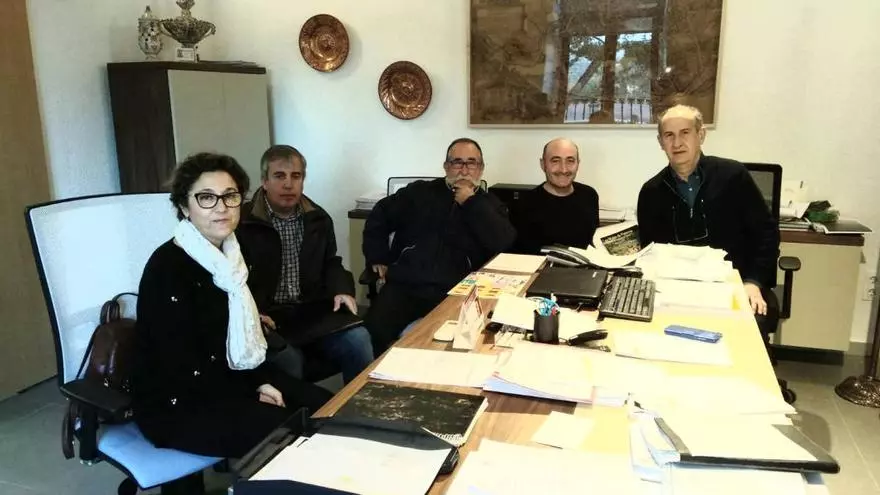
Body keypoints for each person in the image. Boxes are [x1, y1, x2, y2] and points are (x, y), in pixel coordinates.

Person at [132, 152, 332, 458]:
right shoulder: (168, 268)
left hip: (233, 373)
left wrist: (259, 381)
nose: (221, 207)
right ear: (184, 207)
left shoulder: (236, 255)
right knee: (293, 438)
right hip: (178, 401)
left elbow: (236, 339)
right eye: (206, 198)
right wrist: (253, 389)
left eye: (230, 196)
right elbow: (182, 364)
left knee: (329, 408)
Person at [362, 138, 516, 354]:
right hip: (406, 285)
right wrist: (377, 256)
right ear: (446, 166)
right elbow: (380, 215)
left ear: (481, 169)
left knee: (448, 346)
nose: (464, 170)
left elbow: (503, 241)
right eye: (457, 162)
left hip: (456, 292)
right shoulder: (419, 193)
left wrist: (471, 203)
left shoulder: (490, 204)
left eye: (471, 163)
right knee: (370, 336)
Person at [237, 145, 374, 384]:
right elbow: (233, 279)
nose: (288, 184)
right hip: (267, 316)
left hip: (310, 312)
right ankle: (301, 408)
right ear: (264, 181)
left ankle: (359, 406)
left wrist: (342, 289)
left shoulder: (318, 218)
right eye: (279, 176)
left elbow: (331, 262)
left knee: (358, 339)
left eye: (296, 176)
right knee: (289, 360)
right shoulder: (242, 222)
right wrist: (251, 313)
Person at [636, 104, 780, 321]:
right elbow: (650, 251)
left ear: (700, 135)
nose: (677, 143)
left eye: (685, 133)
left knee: (745, 328)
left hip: (734, 284)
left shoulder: (733, 176)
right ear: (660, 142)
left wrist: (753, 282)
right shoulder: (651, 191)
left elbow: (766, 234)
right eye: (669, 135)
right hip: (676, 292)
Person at [510, 138, 600, 254]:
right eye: (555, 161)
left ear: (578, 164)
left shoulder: (589, 195)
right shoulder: (524, 206)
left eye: (570, 161)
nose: (563, 169)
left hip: (587, 265)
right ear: (543, 164)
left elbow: (595, 242)